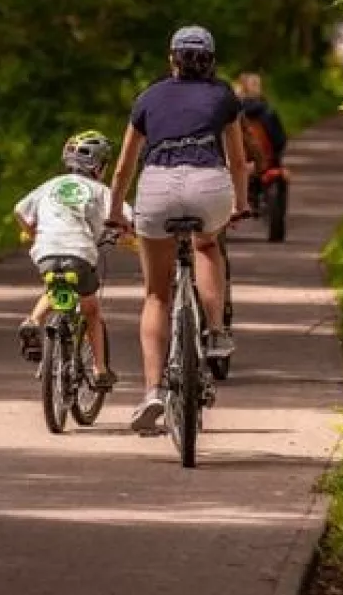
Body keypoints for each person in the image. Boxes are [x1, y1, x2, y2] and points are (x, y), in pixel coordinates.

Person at [107, 26, 250, 433]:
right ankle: (217, 331)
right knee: (206, 246)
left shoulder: (148, 97)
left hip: (156, 186)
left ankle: (152, 391)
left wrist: (116, 213)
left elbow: (123, 168)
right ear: (211, 60)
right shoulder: (224, 96)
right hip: (209, 185)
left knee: (156, 294)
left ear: (172, 59)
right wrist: (239, 205)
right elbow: (237, 162)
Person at [13, 130, 121, 389]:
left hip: (46, 253)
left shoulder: (51, 185)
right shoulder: (100, 190)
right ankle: (100, 370)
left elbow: (20, 209)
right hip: (80, 253)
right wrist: (129, 236)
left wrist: (33, 233)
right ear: (99, 166)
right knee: (91, 310)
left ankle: (33, 321)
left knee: (54, 288)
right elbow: (123, 217)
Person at [233, 72, 287, 172]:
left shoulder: (235, 110)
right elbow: (280, 140)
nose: (257, 87)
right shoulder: (267, 112)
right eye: (254, 84)